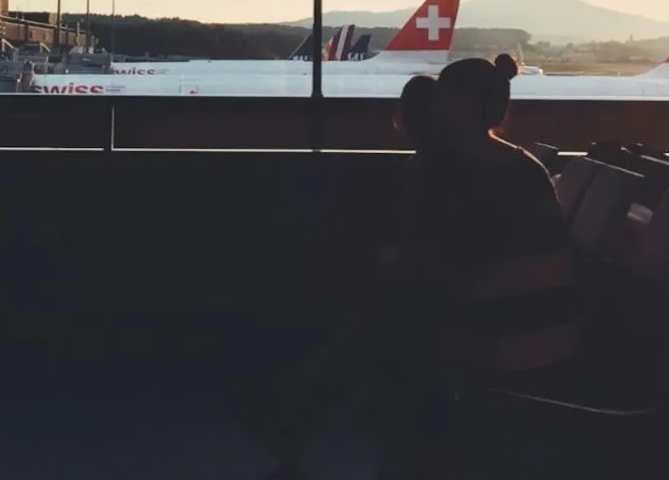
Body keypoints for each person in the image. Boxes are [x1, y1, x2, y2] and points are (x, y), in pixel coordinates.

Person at [241, 58, 579, 479]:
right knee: (385, 315)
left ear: (452, 107)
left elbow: (430, 264)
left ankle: (296, 411)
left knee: (384, 319)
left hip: (502, 333)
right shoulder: (521, 166)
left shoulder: (445, 171)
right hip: (543, 326)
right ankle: (300, 410)